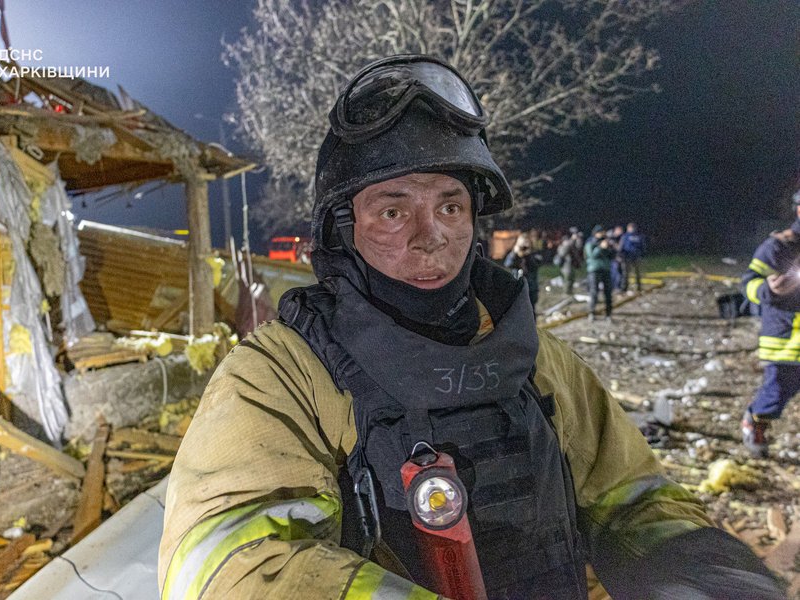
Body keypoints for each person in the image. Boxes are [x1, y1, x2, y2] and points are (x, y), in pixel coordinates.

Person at [160, 55, 785, 600]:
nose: (431, 236)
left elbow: (633, 497)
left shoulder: (533, 358)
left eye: (451, 205)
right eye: (393, 210)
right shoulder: (280, 376)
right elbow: (227, 567)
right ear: (342, 232)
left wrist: (702, 569)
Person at [741, 190, 800, 458]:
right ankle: (755, 420)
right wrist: (768, 289)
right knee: (777, 392)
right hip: (785, 338)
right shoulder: (777, 247)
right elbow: (747, 284)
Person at [584, 225, 616, 321]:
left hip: (606, 269)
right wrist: (600, 247)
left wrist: (611, 248)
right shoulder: (590, 242)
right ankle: (592, 312)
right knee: (594, 292)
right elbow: (592, 255)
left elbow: (612, 255)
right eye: (600, 232)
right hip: (594, 270)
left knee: (608, 292)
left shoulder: (606, 241)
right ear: (595, 233)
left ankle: (608, 314)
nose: (603, 234)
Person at [504, 233, 541, 311]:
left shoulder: (534, 254)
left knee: (530, 311)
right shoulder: (515, 255)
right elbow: (508, 264)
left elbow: (535, 265)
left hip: (530, 288)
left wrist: (528, 255)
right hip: (517, 288)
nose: (524, 247)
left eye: (526, 243)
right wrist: (514, 253)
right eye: (521, 244)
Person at [554, 226, 582, 295]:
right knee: (567, 280)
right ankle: (566, 294)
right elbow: (562, 253)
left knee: (572, 280)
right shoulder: (562, 246)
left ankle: (570, 293)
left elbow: (578, 248)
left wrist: (578, 240)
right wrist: (571, 241)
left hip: (571, 265)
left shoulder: (572, 244)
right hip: (565, 266)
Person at [619, 222, 646, 293]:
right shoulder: (635, 236)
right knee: (627, 274)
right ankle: (626, 288)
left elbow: (642, 246)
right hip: (628, 257)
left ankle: (635, 288)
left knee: (632, 273)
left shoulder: (627, 236)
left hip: (633, 257)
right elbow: (643, 247)